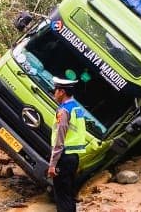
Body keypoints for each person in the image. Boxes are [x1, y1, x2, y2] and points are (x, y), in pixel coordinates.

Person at [47, 77, 86, 212]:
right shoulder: (77, 108)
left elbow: (59, 139)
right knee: (68, 194)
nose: (54, 94)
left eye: (55, 91)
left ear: (62, 92)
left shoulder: (63, 111)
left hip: (63, 157)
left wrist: (52, 164)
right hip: (73, 157)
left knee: (62, 196)